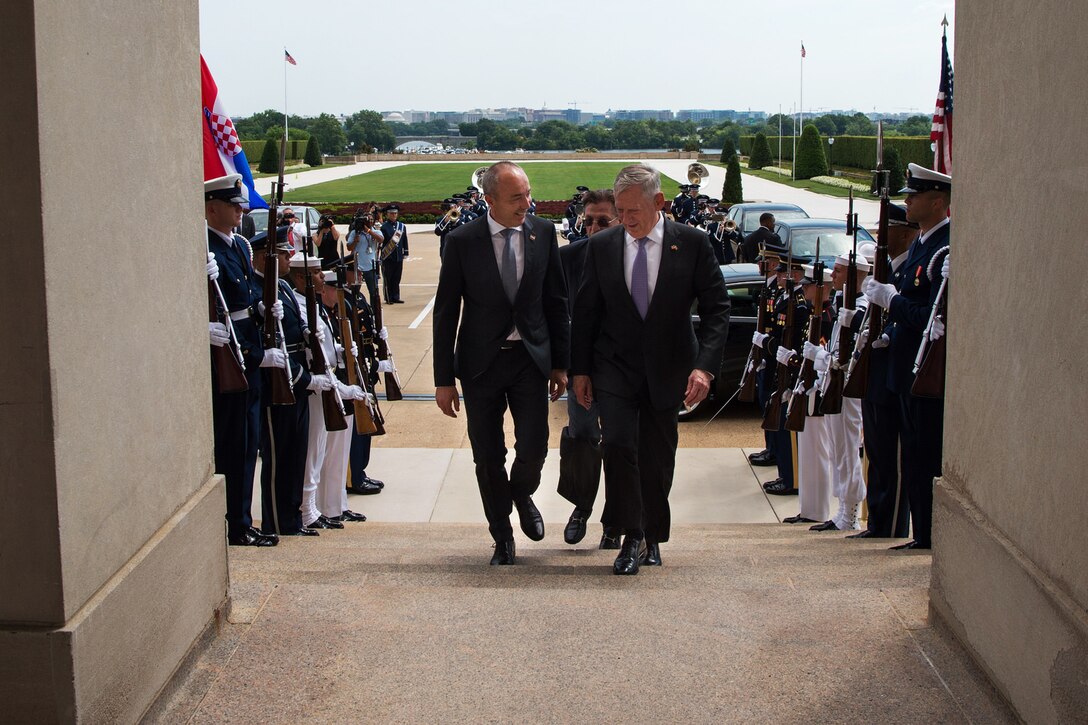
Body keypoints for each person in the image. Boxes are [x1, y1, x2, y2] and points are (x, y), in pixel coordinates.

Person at [571, 164, 730, 575]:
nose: (625, 220)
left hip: (669, 367)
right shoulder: (603, 246)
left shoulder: (693, 244)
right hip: (615, 367)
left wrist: (704, 369)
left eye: (633, 211)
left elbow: (717, 309)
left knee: (658, 456)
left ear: (658, 202)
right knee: (620, 445)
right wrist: (580, 371)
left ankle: (652, 534)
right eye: (620, 212)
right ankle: (630, 535)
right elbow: (586, 312)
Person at [433, 161, 570, 566]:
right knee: (487, 456)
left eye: (528, 194)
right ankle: (502, 536)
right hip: (481, 367)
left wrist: (560, 363)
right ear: (489, 200)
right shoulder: (461, 241)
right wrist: (444, 380)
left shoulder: (543, 233)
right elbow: (445, 312)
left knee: (533, 448)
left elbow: (556, 303)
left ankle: (521, 492)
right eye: (516, 198)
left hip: (530, 361)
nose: (527, 203)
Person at [862, 163, 951, 551]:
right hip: (903, 367)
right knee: (912, 456)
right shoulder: (921, 244)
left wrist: (891, 300)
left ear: (939, 201)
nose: (908, 201)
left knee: (923, 456)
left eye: (915, 195)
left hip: (923, 371)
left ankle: (928, 535)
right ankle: (922, 534)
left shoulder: (942, 248)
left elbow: (928, 315)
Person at [205, 173, 279, 547]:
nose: (240, 212)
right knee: (234, 444)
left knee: (249, 443)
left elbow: (248, 290)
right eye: (233, 207)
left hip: (247, 349)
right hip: (231, 355)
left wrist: (265, 305)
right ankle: (234, 523)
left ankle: (243, 519)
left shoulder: (235, 245)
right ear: (211, 207)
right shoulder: (204, 250)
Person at [557, 189, 622, 549]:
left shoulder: (630, 257)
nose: (594, 227)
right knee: (581, 438)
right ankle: (581, 505)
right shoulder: (568, 257)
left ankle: (614, 521)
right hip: (580, 368)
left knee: (619, 445)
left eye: (603, 220)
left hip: (620, 370)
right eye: (589, 220)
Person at [846, 205, 917, 540]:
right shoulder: (889, 271)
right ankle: (878, 521)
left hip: (894, 373)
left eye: (886, 228)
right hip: (877, 372)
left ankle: (890, 525)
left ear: (905, 231)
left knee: (893, 458)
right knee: (877, 452)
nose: (879, 235)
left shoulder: (907, 272)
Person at [251, 228, 320, 538]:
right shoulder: (256, 290)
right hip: (278, 382)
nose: (289, 256)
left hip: (295, 378)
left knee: (296, 454)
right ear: (267, 257)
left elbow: (295, 332)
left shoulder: (283, 286)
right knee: (279, 457)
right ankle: (277, 521)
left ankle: (292, 518)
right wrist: (303, 378)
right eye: (282, 252)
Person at [806, 244, 874, 532]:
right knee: (838, 449)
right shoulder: (844, 305)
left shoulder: (862, 308)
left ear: (854, 274)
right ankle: (842, 510)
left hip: (848, 387)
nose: (833, 275)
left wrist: (820, 358)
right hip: (834, 384)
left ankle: (851, 513)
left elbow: (852, 354)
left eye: (839, 270)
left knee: (847, 450)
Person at [346, 207, 382, 304]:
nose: (369, 222)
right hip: (357, 266)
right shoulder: (355, 232)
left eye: (371, 220)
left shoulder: (375, 231)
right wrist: (355, 241)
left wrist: (369, 231)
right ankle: (356, 308)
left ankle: (374, 311)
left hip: (370, 265)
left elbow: (381, 239)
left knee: (373, 291)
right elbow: (349, 247)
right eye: (367, 220)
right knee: (355, 291)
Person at [380, 204, 409, 304]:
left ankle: (396, 296)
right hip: (388, 257)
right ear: (387, 214)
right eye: (392, 213)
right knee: (388, 278)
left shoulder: (401, 226)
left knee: (397, 277)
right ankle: (388, 297)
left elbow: (404, 240)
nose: (394, 215)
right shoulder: (383, 227)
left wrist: (405, 252)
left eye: (395, 213)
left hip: (398, 256)